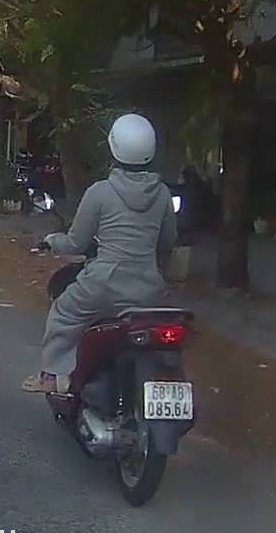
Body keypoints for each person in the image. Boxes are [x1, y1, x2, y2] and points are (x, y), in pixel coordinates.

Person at [22, 113, 177, 394]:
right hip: (148, 291)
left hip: (102, 285)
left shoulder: (100, 192)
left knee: (63, 312)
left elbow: (76, 244)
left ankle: (51, 376)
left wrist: (52, 240)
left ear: (113, 147)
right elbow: (167, 243)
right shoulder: (163, 194)